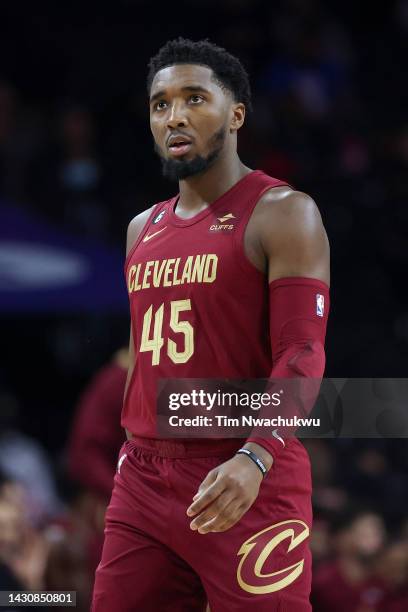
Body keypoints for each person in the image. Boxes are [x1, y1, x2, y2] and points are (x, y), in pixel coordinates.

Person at [92, 37, 330, 612]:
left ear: (237, 114)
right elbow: (139, 363)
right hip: (145, 480)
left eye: (195, 98)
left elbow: (301, 352)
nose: (175, 116)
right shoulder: (139, 229)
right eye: (160, 104)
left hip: (245, 468)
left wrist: (256, 456)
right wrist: (132, 451)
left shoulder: (283, 212)